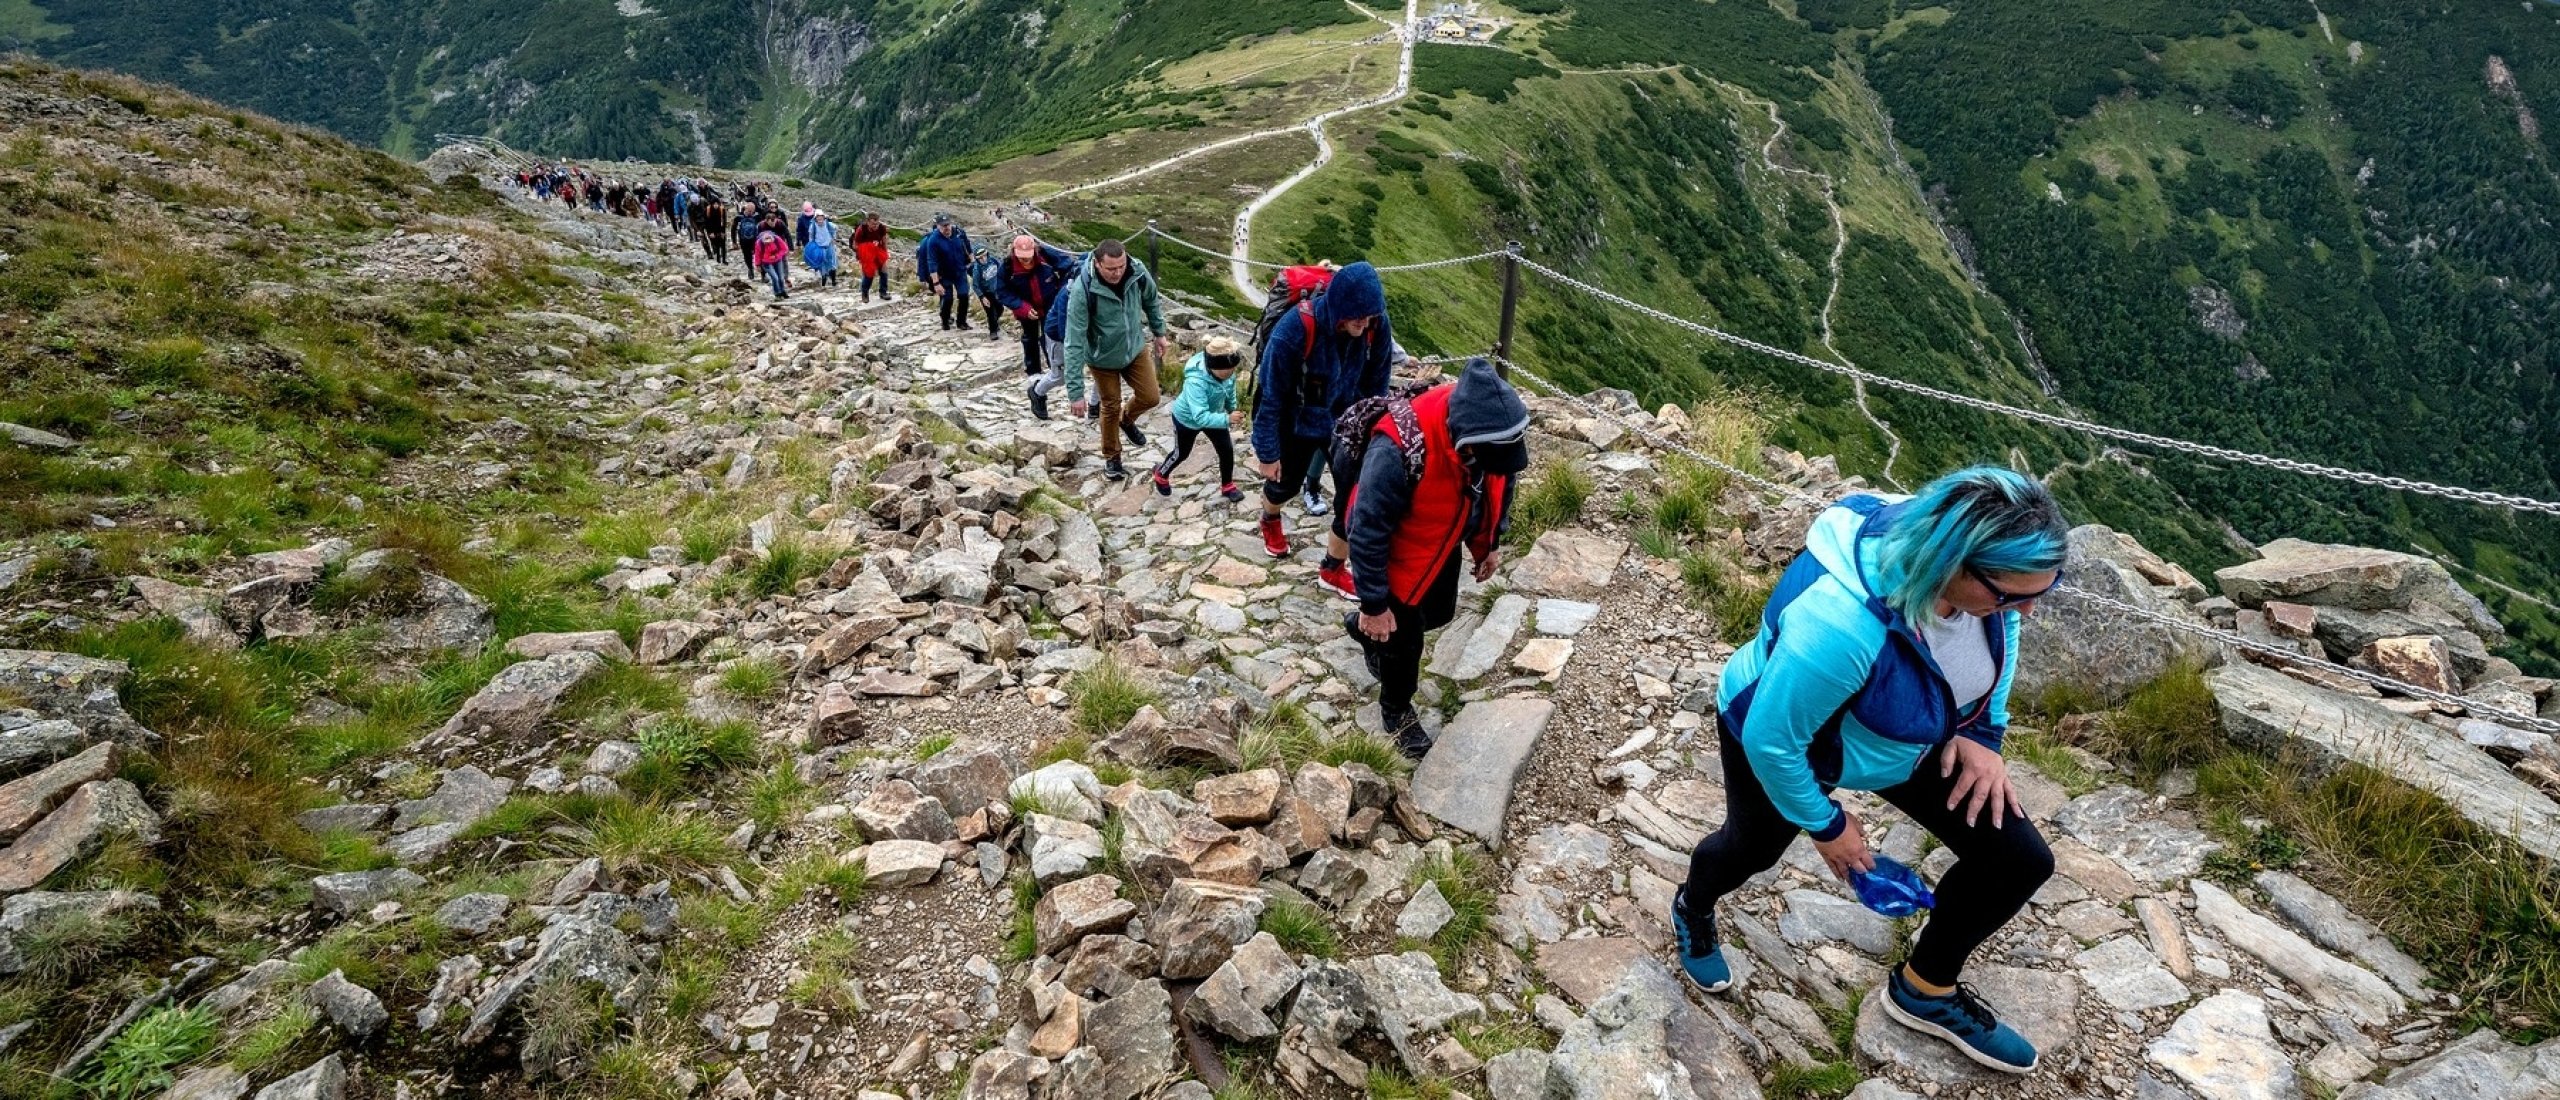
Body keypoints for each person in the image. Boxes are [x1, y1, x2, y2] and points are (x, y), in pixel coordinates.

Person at [1672, 466, 2064, 1076]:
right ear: (1953, 565)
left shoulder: (1968, 559)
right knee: (1751, 850)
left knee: (2016, 861)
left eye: (2045, 588)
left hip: (1905, 730)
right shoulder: (1840, 625)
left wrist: (1983, 733)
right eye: (2011, 595)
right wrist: (1828, 827)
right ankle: (1693, 906)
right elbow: (1773, 743)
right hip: (1793, 735)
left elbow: (2004, 629)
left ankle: (1925, 989)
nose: (2029, 610)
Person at [1342, 358, 1529, 757]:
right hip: (1399, 554)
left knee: (1439, 613)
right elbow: (1366, 529)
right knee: (1404, 642)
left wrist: (1489, 543)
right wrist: (1374, 604)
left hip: (1440, 539)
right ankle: (1396, 709)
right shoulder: (1397, 448)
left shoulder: (1490, 433)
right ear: (1466, 443)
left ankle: (1365, 631)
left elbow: (1502, 481)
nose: (1504, 466)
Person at [1250, 261, 1393, 584]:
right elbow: (1271, 394)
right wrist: (1268, 452)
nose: (1365, 324)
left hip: (1347, 421)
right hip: (1297, 419)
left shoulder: (1376, 324)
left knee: (1354, 495)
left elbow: (1377, 381)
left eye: (1370, 316)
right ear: (1341, 307)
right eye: (1358, 317)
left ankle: (1332, 568)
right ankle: (1270, 516)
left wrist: (1370, 427)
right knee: (1285, 485)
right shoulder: (1294, 328)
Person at [1061, 239, 1168, 481]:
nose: (1118, 272)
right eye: (1111, 268)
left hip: (1134, 349)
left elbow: (1151, 299)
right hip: (1102, 357)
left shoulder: (1137, 272)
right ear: (1098, 263)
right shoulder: (1083, 290)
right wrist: (1075, 392)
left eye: (1121, 266)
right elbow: (1074, 340)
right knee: (1110, 405)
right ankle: (1112, 456)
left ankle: (1126, 420)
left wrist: (1159, 333)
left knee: (1151, 396)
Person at [1152, 336, 1248, 503]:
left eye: (1233, 370)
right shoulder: (1196, 382)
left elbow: (1229, 392)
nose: (1231, 374)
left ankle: (1227, 485)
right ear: (1214, 367)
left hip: (1215, 415)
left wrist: (1232, 408)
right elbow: (1200, 416)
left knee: (1226, 450)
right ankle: (1161, 474)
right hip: (1187, 419)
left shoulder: (1228, 375)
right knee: (1181, 453)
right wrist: (1227, 418)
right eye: (1227, 371)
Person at [995, 235, 1077, 415]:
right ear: (1014, 252)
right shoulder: (1007, 267)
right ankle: (1033, 371)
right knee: (1029, 336)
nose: (1026, 260)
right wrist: (1022, 307)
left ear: (1035, 250)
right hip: (1026, 306)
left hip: (1050, 303)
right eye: (1022, 257)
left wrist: (1062, 291)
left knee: (1050, 335)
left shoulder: (1046, 256)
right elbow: (1002, 292)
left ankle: (1053, 366)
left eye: (1029, 256)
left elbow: (1069, 267)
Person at [920, 214, 975, 331]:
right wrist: (936, 283)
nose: (947, 228)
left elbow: (968, 245)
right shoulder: (933, 240)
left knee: (964, 295)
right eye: (943, 226)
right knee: (947, 299)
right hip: (944, 274)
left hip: (960, 271)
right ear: (938, 226)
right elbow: (932, 262)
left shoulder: (959, 232)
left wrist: (972, 261)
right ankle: (945, 320)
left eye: (948, 225)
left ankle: (961, 322)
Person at [970, 245, 1007, 342]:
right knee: (990, 313)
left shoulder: (993, 261)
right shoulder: (977, 269)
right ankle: (993, 331)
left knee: (1000, 309)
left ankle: (994, 322)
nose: (983, 259)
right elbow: (975, 285)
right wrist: (982, 297)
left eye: (984, 256)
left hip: (996, 291)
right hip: (986, 293)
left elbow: (1002, 269)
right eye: (980, 258)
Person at [853, 212, 892, 301]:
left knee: (884, 271)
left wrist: (885, 253)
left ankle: (883, 292)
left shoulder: (881, 228)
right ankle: (865, 293)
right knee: (869, 273)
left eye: (877, 224)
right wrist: (866, 250)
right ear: (867, 222)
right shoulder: (861, 229)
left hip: (878, 251)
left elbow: (884, 241)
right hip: (867, 254)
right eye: (873, 224)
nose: (876, 226)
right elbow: (855, 244)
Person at [753, 221, 792, 299]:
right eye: (766, 243)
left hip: (777, 260)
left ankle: (783, 291)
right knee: (775, 278)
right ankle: (777, 293)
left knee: (781, 277)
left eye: (769, 243)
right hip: (766, 262)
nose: (768, 244)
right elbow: (757, 255)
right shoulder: (759, 243)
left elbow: (784, 249)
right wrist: (758, 265)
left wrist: (776, 255)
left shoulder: (777, 239)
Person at [803, 211, 841, 289]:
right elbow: (811, 237)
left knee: (832, 263)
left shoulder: (829, 225)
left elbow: (836, 228)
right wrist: (812, 247)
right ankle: (824, 283)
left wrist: (833, 238)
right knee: (822, 265)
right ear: (815, 219)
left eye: (821, 218)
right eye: (818, 218)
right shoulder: (813, 226)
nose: (820, 220)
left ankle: (833, 281)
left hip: (829, 246)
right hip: (819, 247)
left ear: (824, 218)